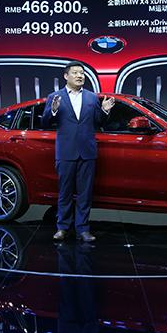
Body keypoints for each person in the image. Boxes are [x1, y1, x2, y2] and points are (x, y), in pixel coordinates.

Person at [42, 61, 115, 242]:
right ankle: (62, 228)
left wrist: (104, 111)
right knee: (65, 192)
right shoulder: (55, 97)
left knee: (85, 193)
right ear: (66, 76)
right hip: (66, 152)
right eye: (75, 72)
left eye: (81, 73)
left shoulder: (91, 97)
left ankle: (83, 229)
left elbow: (99, 122)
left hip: (87, 152)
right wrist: (53, 110)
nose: (79, 75)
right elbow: (45, 122)